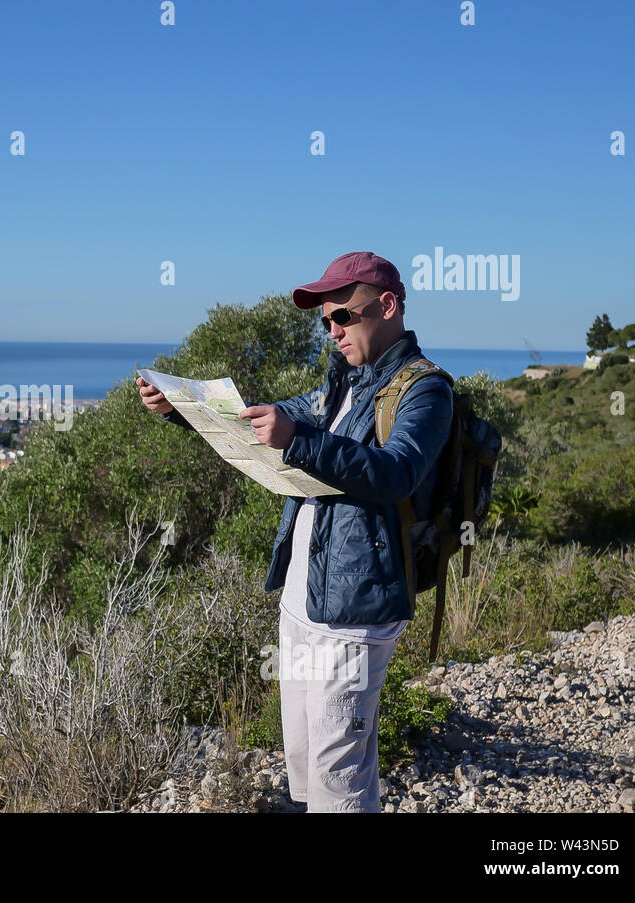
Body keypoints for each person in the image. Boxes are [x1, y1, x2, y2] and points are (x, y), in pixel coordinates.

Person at [136, 251, 454, 812]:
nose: (332, 331)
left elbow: (398, 472)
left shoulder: (426, 392)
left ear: (387, 306)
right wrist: (179, 409)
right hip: (303, 602)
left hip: (357, 612)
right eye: (325, 321)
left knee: (340, 773)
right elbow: (253, 420)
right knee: (307, 767)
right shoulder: (340, 388)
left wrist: (298, 441)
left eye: (343, 317)